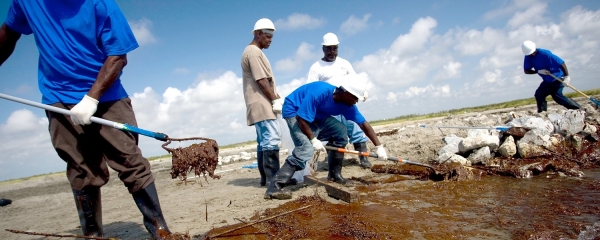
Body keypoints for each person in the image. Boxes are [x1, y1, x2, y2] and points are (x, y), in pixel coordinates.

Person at [0, 1, 171, 238]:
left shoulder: (102, 5)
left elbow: (118, 57)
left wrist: (91, 99)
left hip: (108, 94)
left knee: (130, 161)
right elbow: (9, 32)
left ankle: (160, 229)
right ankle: (92, 234)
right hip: (58, 96)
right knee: (81, 168)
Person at [265, 74, 389, 200]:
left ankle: (334, 175)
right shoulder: (319, 92)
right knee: (306, 148)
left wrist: (378, 146)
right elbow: (301, 119)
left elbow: (363, 124)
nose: (356, 102)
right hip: (294, 111)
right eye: (356, 98)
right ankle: (274, 187)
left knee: (340, 131)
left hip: (316, 115)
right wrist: (313, 140)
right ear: (346, 93)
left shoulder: (347, 105)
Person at [306, 32, 372, 169]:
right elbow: (311, 89)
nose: (332, 51)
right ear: (323, 48)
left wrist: (363, 91)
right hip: (329, 107)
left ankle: (364, 158)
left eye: (334, 48)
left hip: (346, 103)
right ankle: (334, 163)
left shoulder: (344, 63)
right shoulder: (316, 67)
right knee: (335, 134)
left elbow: (355, 80)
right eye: (328, 48)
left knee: (356, 129)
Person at [241, 18, 284, 187]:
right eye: (268, 37)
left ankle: (265, 179)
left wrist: (278, 98)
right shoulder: (253, 52)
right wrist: (274, 100)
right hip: (262, 103)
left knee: (263, 142)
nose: (270, 41)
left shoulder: (254, 52)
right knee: (271, 140)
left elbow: (267, 82)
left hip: (259, 102)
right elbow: (262, 81)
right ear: (259, 34)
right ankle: (274, 182)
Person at [522, 40, 581, 113]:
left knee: (557, 95)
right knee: (539, 94)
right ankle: (542, 113)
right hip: (547, 81)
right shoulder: (528, 56)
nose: (532, 54)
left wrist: (567, 76)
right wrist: (538, 71)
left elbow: (561, 62)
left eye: (533, 52)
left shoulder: (545, 54)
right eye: (531, 53)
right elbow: (526, 71)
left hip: (558, 77)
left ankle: (578, 109)